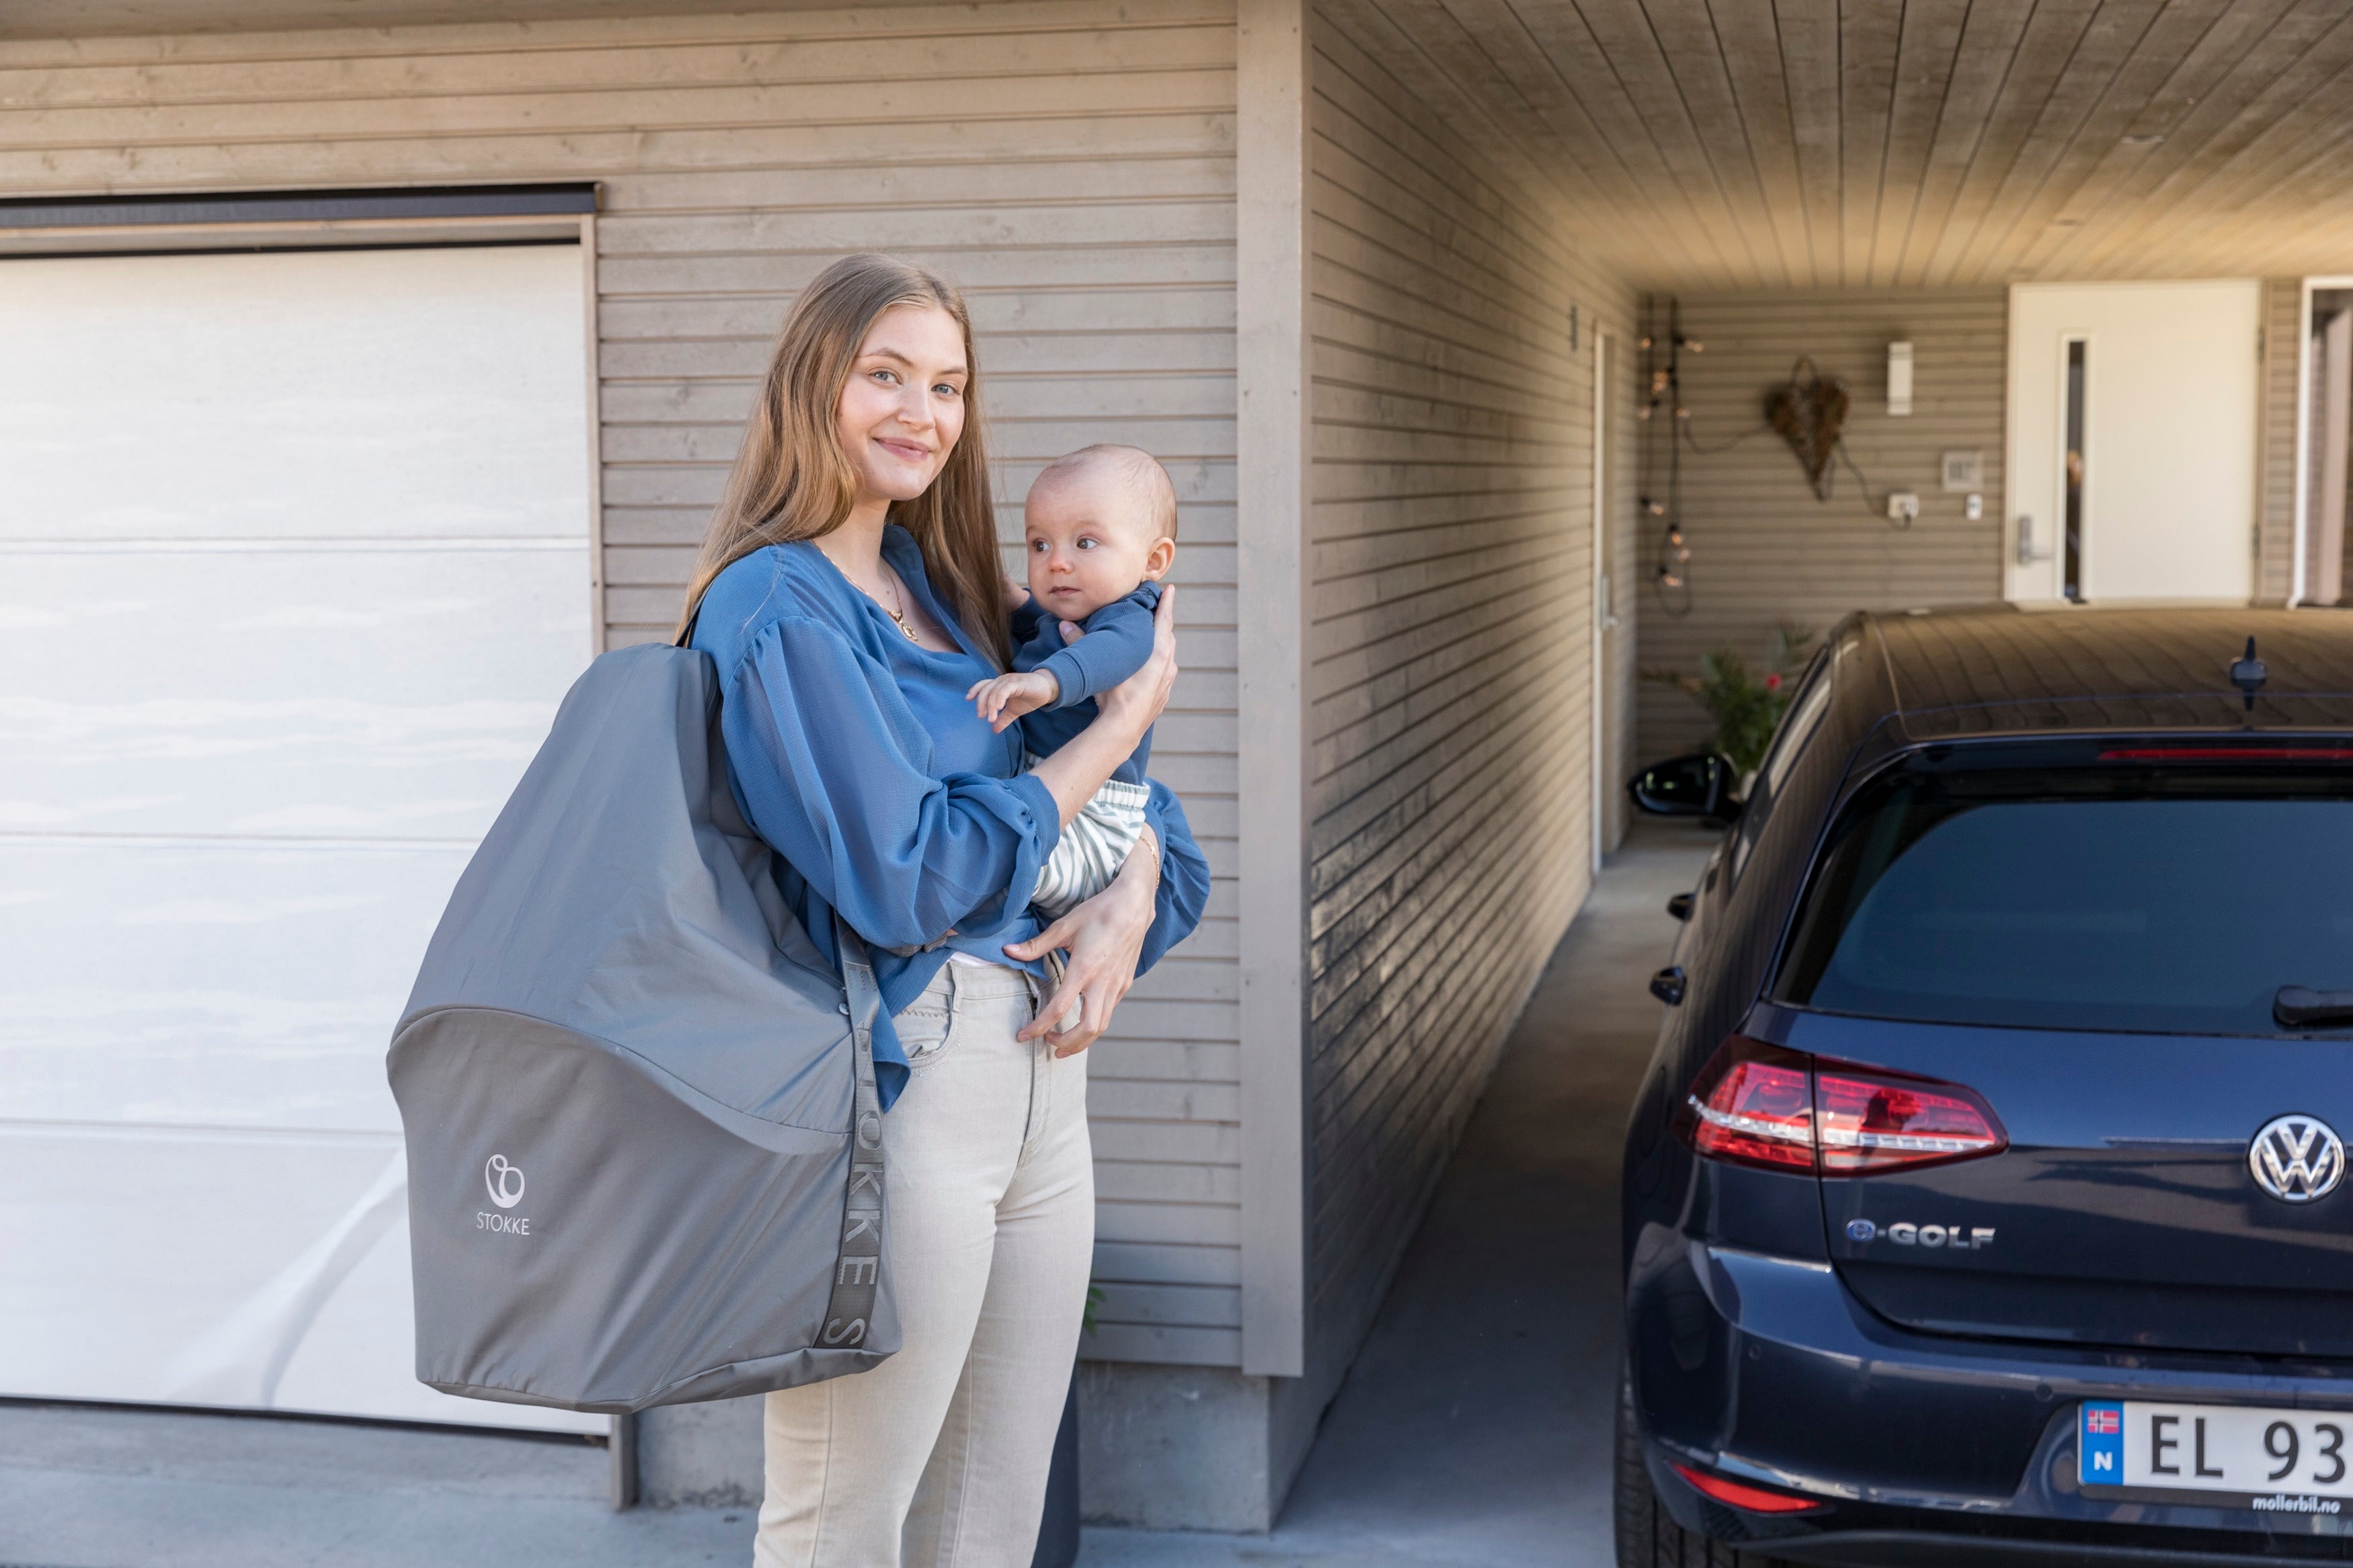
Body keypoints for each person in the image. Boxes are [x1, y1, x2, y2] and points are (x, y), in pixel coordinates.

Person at [672, 253, 1209, 1568]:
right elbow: (911, 876)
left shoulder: (958, 598)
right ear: (817, 385)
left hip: (1045, 1099)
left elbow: (1155, 838)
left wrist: (1129, 894)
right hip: (906, 1089)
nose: (922, 410)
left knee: (988, 1521)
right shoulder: (780, 605)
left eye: (948, 384)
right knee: (841, 1523)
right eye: (887, 374)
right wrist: (1126, 719)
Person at [969, 444, 1177, 916]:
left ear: (1154, 559)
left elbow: (1109, 655)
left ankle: (956, 901)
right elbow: (1036, 623)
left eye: (1085, 543)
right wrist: (1005, 596)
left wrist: (1046, 682)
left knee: (999, 865)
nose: (1057, 561)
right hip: (1057, 789)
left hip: (1097, 814)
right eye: (1040, 544)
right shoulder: (1071, 611)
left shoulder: (1129, 616)